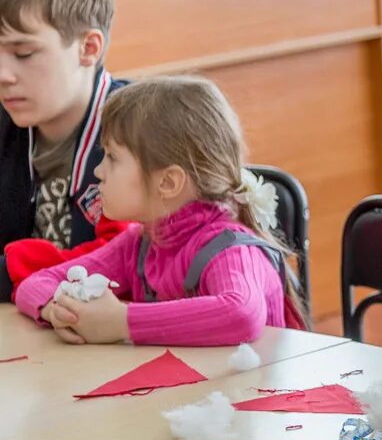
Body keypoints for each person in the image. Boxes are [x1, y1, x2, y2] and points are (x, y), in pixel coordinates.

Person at [15, 77, 307, 345]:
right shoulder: (141, 242)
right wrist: (56, 309)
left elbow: (241, 313)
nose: (98, 171)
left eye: (113, 158)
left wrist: (120, 322)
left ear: (168, 182)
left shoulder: (230, 250)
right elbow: (37, 282)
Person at [0, 0, 131, 301]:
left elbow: (123, 262)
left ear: (88, 48)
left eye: (24, 54)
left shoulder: (143, 130)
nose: (3, 75)